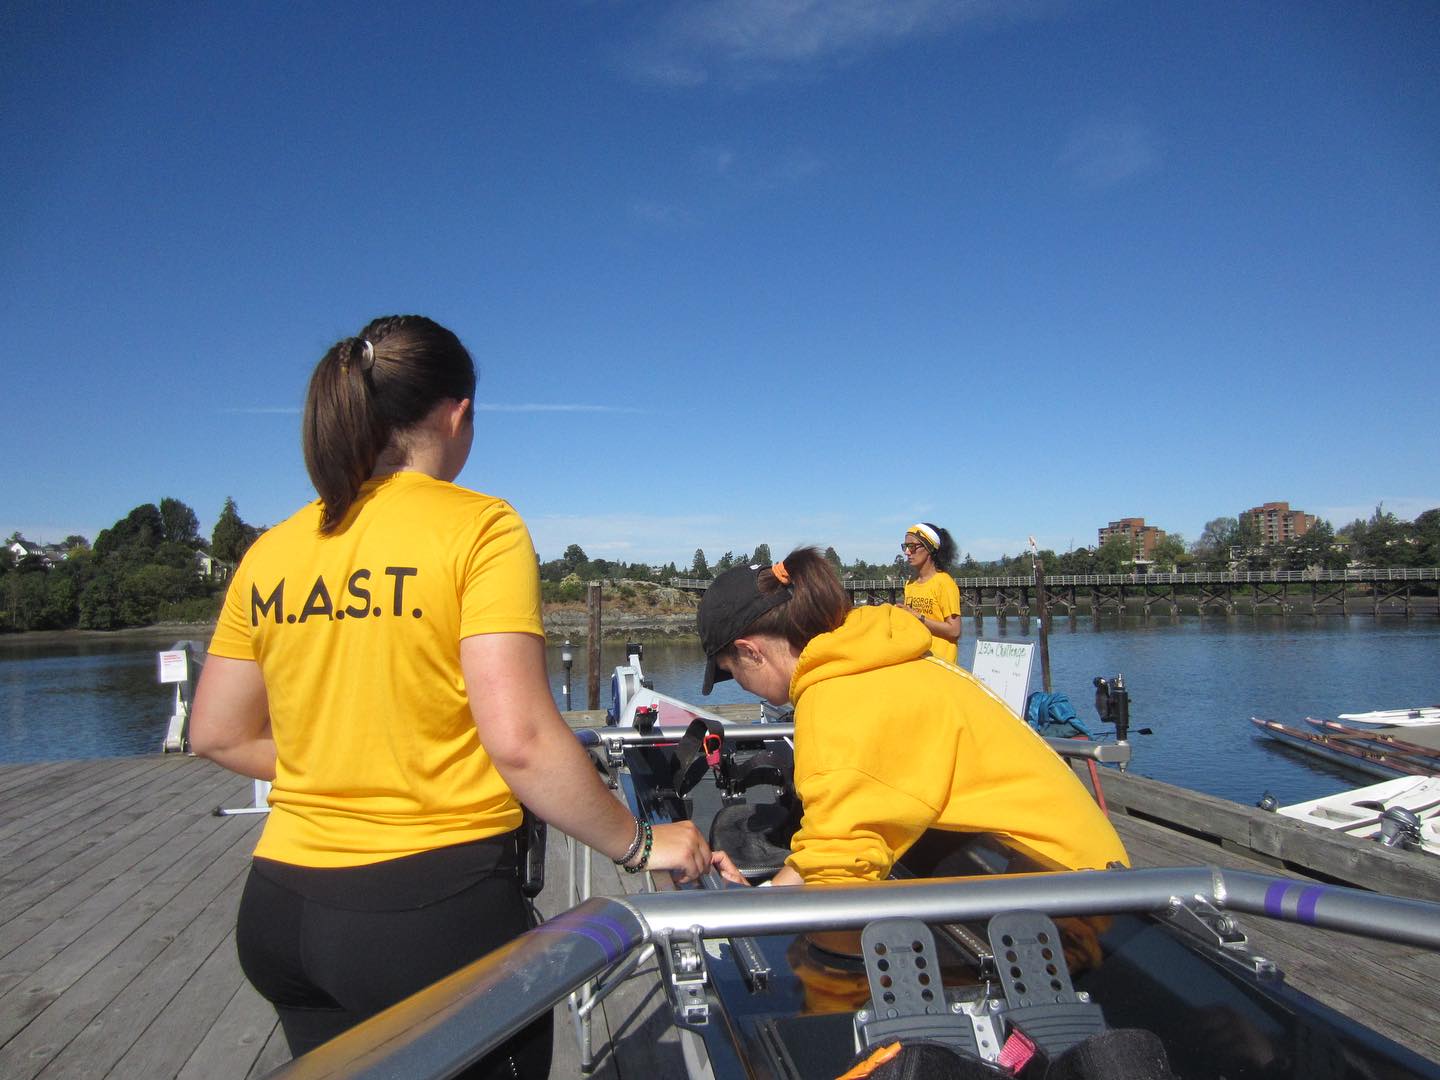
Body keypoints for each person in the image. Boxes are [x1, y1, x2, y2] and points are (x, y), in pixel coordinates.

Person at [190, 315, 734, 1076]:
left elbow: (214, 732)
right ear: (458, 413)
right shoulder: (480, 526)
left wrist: (345, 768)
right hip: (428, 916)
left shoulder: (273, 550)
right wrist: (642, 842)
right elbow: (520, 740)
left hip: (282, 907)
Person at [698, 549, 1128, 888]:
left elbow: (837, 880)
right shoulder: (877, 660)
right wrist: (768, 891)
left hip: (1073, 905)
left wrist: (748, 906)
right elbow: (838, 848)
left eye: (731, 673)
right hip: (1080, 873)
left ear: (751, 650)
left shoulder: (839, 697)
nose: (741, 686)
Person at [899, 522, 962, 664]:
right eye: (905, 546)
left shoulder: (944, 583)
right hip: (918, 663)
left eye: (912, 547)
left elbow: (954, 631)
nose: (907, 552)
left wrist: (918, 617)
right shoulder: (910, 584)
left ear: (929, 548)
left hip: (941, 665)